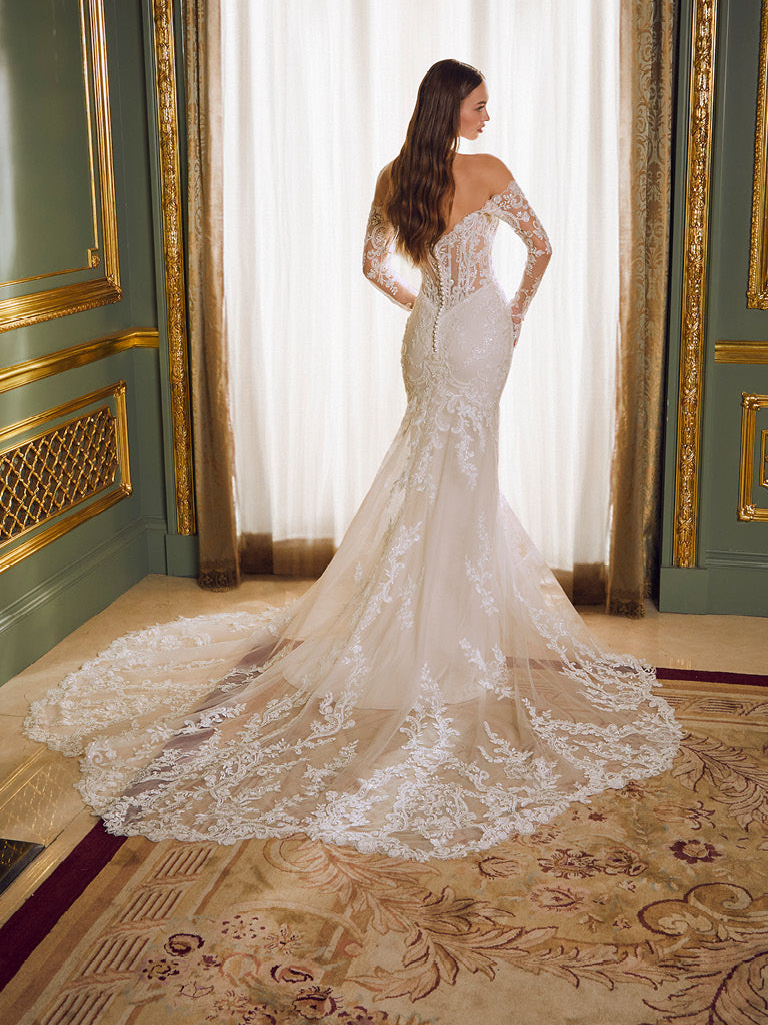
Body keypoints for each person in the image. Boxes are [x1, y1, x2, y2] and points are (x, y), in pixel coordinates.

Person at [25, 60, 681, 861]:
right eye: (479, 104)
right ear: (450, 107)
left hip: (430, 336)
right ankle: (449, 633)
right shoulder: (489, 173)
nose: (488, 115)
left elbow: (374, 266)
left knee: (427, 471)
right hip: (476, 334)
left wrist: (421, 304)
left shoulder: (396, 176)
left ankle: (421, 622)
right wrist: (510, 311)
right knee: (465, 478)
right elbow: (540, 248)